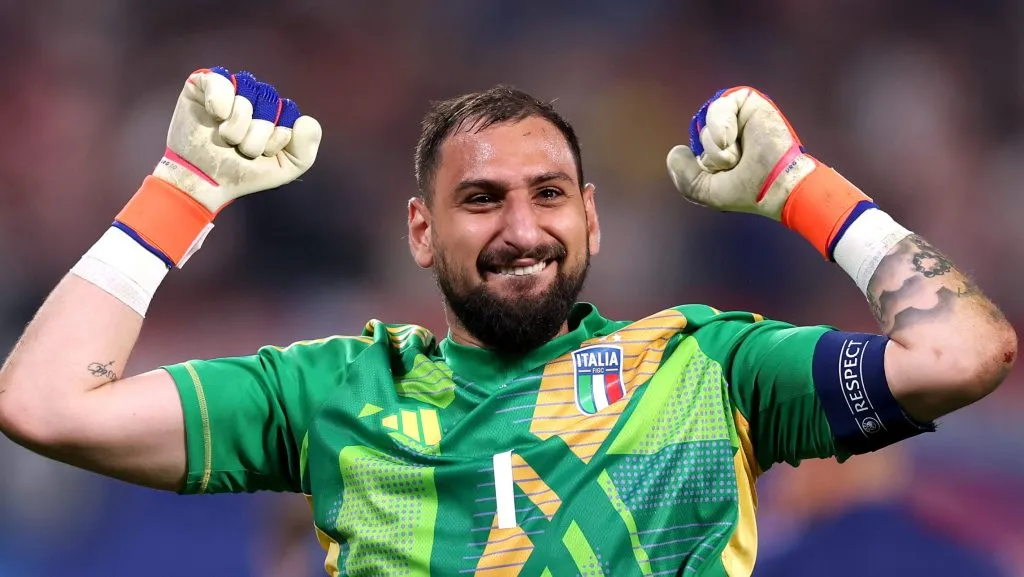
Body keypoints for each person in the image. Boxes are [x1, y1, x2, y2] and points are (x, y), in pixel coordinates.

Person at [0, 67, 1014, 577]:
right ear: (420, 232)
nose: (521, 226)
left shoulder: (711, 367)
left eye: (549, 194)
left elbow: (966, 354)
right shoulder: (331, 391)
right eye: (481, 199)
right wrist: (180, 190)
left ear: (591, 218)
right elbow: (46, 404)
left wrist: (801, 187)